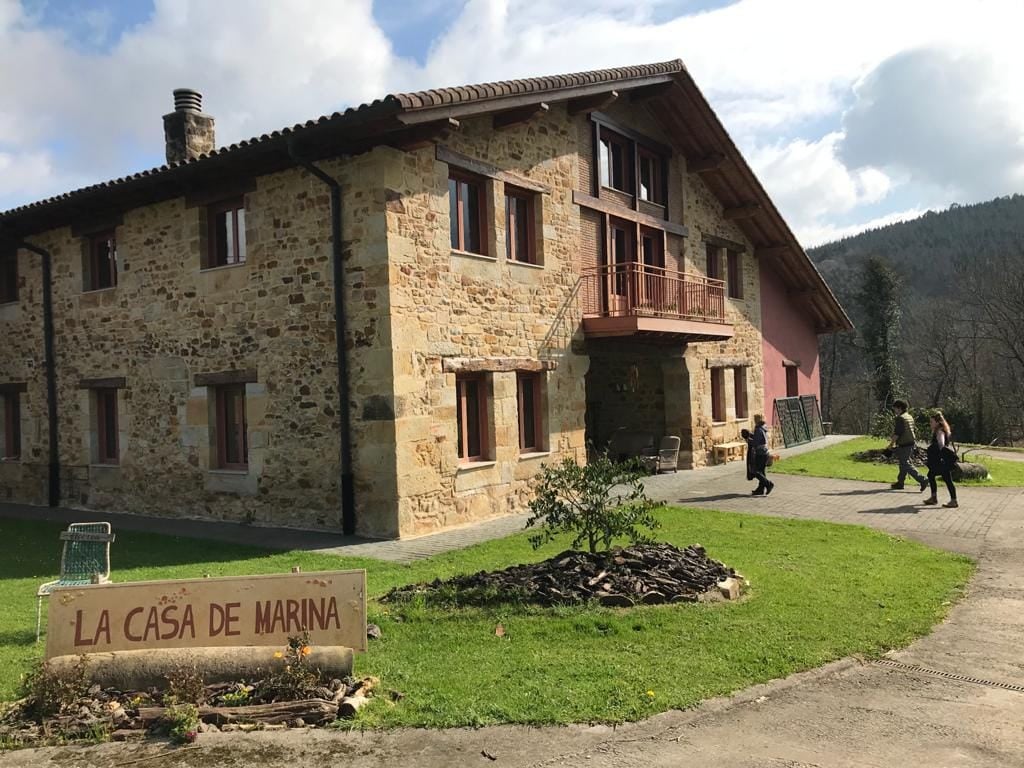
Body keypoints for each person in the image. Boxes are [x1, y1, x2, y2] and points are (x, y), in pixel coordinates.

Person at [887, 400, 928, 492]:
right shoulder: (909, 417)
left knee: (905, 464)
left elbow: (897, 433)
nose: (894, 410)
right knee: (903, 463)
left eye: (895, 408)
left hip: (904, 443)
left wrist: (891, 444)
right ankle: (900, 483)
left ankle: (922, 479)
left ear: (900, 408)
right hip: (910, 442)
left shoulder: (900, 418)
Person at [924, 411, 958, 508]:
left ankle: (941, 499)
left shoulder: (939, 431)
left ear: (938, 422)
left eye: (932, 422)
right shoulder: (940, 430)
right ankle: (947, 499)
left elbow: (941, 444)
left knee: (933, 475)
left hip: (941, 461)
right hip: (942, 460)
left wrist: (935, 450)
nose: (930, 424)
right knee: (945, 479)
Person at [744, 416, 774, 496]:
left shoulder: (758, 429)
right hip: (764, 452)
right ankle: (760, 489)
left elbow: (756, 443)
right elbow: (760, 439)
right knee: (762, 472)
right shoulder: (763, 428)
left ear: (757, 420)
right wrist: (751, 435)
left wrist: (747, 439)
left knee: (755, 471)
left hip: (760, 453)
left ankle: (768, 484)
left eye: (755, 419)